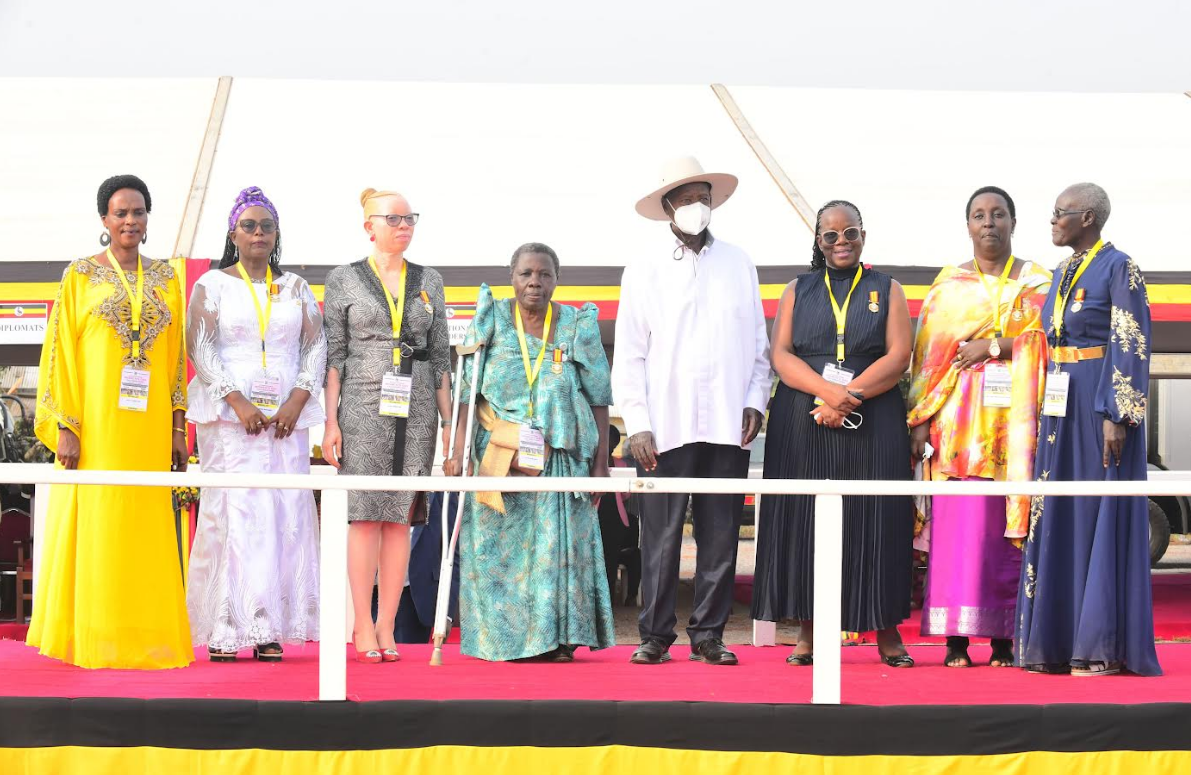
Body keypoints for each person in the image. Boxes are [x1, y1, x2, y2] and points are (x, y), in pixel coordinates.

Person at [28, 175, 192, 669]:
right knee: (100, 521)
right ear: (104, 219)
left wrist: (178, 427)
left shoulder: (166, 278)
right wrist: (66, 426)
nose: (130, 221)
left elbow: (174, 358)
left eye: (138, 212)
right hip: (96, 425)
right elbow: (59, 353)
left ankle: (143, 634)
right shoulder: (78, 275)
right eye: (120, 213)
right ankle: (93, 633)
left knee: (142, 525)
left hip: (147, 429)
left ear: (147, 219)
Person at [612, 156, 770, 666]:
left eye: (703, 196)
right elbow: (630, 353)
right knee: (658, 536)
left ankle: (709, 635)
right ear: (667, 208)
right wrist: (636, 422)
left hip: (728, 425)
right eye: (685, 198)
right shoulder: (643, 268)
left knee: (720, 535)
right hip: (664, 426)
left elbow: (759, 347)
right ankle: (655, 635)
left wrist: (754, 401)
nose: (696, 206)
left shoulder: (739, 263)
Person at [751, 200, 915, 668]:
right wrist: (827, 394)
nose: (841, 242)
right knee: (806, 520)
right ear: (818, 241)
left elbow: (899, 355)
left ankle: (886, 630)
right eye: (831, 236)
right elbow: (781, 355)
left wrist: (849, 397)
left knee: (877, 520)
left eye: (851, 233)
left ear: (864, 235)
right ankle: (808, 629)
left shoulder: (889, 289)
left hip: (872, 416)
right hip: (805, 416)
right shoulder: (796, 290)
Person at [444, 243, 616, 662]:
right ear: (512, 276)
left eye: (544, 274)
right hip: (498, 450)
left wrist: (600, 464)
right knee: (497, 548)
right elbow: (466, 388)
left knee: (556, 553)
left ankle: (555, 641)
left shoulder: (576, 322)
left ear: (557, 280)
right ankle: (500, 641)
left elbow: (598, 396)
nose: (535, 282)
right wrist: (457, 450)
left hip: (561, 455)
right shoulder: (493, 316)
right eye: (526, 274)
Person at [1016, 183, 1160, 676]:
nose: (1052, 220)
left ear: (1089, 218)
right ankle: (1053, 641)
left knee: (1096, 515)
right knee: (1059, 513)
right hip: (1060, 405)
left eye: (1061, 213)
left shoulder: (1120, 267)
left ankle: (1098, 644)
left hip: (1099, 408)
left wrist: (1116, 414)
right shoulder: (1061, 271)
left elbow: (1131, 341)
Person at [907, 187, 1052, 668]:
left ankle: (1004, 639)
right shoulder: (949, 286)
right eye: (978, 215)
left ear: (1013, 221)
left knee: (1004, 534)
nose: (988, 222)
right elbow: (926, 361)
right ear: (967, 226)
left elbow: (1052, 342)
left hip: (1016, 432)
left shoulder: (1038, 283)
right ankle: (955, 640)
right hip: (958, 429)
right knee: (958, 533)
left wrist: (998, 347)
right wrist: (921, 423)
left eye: (998, 214)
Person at [185, 187, 326, 662]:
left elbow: (315, 347)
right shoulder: (212, 285)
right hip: (230, 421)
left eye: (267, 226)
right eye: (249, 226)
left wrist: (297, 400)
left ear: (276, 234)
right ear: (233, 234)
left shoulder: (296, 288)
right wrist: (238, 402)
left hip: (286, 420)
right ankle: (227, 626)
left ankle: (269, 626)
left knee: (283, 514)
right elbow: (200, 347)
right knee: (236, 514)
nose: (259, 233)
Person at [322, 188, 451, 664]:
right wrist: (330, 423)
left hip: (416, 407)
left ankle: (386, 624)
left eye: (410, 218)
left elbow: (440, 356)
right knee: (365, 516)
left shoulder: (429, 280)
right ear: (369, 226)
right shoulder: (345, 279)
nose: (404, 225)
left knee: (400, 518)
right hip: (360, 405)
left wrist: (448, 425)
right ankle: (360, 621)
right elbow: (334, 355)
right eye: (394, 218)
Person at [597, 425, 641, 604]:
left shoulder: (621, 464)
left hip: (616, 518)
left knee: (611, 559)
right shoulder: (592, 462)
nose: (611, 444)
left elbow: (626, 494)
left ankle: (609, 598)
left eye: (614, 441)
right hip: (595, 514)